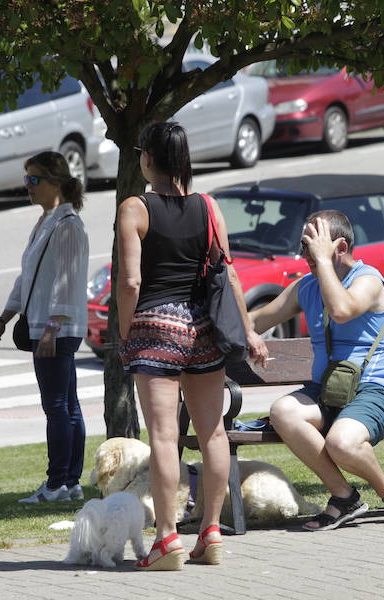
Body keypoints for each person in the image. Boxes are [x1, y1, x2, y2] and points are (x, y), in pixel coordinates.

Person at [116, 121, 267, 570]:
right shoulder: (208, 207)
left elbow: (130, 282)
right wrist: (249, 330)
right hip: (203, 328)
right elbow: (228, 273)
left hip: (156, 327)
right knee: (213, 431)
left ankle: (167, 539)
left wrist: (126, 332)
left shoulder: (134, 208)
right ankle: (211, 532)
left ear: (148, 159)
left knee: (164, 437)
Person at [248, 210, 384, 530]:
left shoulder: (368, 280)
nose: (305, 254)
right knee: (283, 411)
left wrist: (323, 262)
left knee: (342, 442)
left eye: (312, 245)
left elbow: (342, 310)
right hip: (328, 391)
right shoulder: (307, 287)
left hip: (376, 391)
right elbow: (258, 320)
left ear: (340, 247)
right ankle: (344, 497)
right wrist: (244, 330)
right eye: (304, 245)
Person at [0, 151, 89, 504]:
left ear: (55, 182)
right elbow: (27, 278)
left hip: (56, 329)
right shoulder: (46, 221)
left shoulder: (68, 225)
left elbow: (66, 282)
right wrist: (2, 321)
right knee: (66, 405)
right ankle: (69, 483)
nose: (27, 186)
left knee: (57, 406)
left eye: (33, 179)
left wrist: (51, 328)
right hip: (47, 326)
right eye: (25, 179)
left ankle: (57, 484)